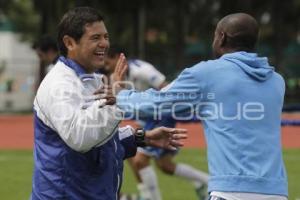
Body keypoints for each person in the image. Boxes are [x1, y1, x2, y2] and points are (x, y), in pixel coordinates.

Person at [110, 13, 288, 200]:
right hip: (277, 192)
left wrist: (121, 94)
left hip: (230, 193)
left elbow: (155, 104)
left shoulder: (206, 73)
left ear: (222, 38)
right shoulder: (277, 82)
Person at [30, 7, 187, 200]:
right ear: (69, 43)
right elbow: (80, 137)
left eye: (106, 36)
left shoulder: (92, 78)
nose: (104, 43)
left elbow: (99, 136)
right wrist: (118, 99)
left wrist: (140, 138)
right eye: (95, 38)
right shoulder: (59, 84)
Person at [105, 46, 209, 200]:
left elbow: (166, 89)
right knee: (164, 165)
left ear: (115, 58)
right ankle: (205, 183)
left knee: (140, 160)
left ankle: (150, 198)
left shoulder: (142, 71)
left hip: (161, 116)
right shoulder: (117, 75)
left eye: (107, 62)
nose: (105, 66)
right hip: (148, 119)